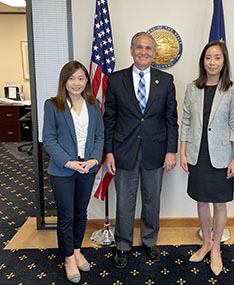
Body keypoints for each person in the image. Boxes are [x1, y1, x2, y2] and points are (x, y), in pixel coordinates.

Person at [104, 32, 178, 268]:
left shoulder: (166, 81)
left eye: (148, 48)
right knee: (124, 202)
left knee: (151, 200)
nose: (143, 51)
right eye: (139, 47)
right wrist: (109, 151)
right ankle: (123, 245)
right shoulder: (115, 80)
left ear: (154, 52)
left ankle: (149, 241)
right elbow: (110, 119)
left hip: (156, 151)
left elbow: (171, 119)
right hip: (123, 150)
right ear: (131, 49)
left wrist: (171, 151)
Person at [180, 40, 234, 276]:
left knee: (219, 202)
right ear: (202, 61)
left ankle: (216, 248)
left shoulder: (233, 89)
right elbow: (186, 121)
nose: (212, 62)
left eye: (217, 57)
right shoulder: (192, 88)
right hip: (198, 154)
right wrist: (183, 151)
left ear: (224, 61)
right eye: (208, 57)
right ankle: (205, 242)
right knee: (201, 200)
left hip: (221, 155)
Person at [42, 61, 104, 283]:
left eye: (80, 78)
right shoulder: (53, 105)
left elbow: (99, 135)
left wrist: (95, 158)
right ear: (64, 81)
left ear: (87, 80)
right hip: (63, 170)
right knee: (66, 216)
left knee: (81, 213)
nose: (76, 83)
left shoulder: (94, 104)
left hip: (87, 168)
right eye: (71, 78)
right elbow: (48, 138)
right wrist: (68, 162)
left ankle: (77, 249)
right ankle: (68, 257)